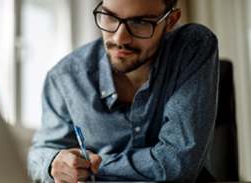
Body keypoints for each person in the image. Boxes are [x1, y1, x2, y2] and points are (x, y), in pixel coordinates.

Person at [28, 0, 219, 182]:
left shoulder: (193, 46)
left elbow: (178, 164)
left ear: (171, 20)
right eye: (110, 17)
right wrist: (54, 162)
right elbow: (41, 153)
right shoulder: (65, 76)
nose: (119, 39)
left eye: (139, 22)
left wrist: (91, 168)